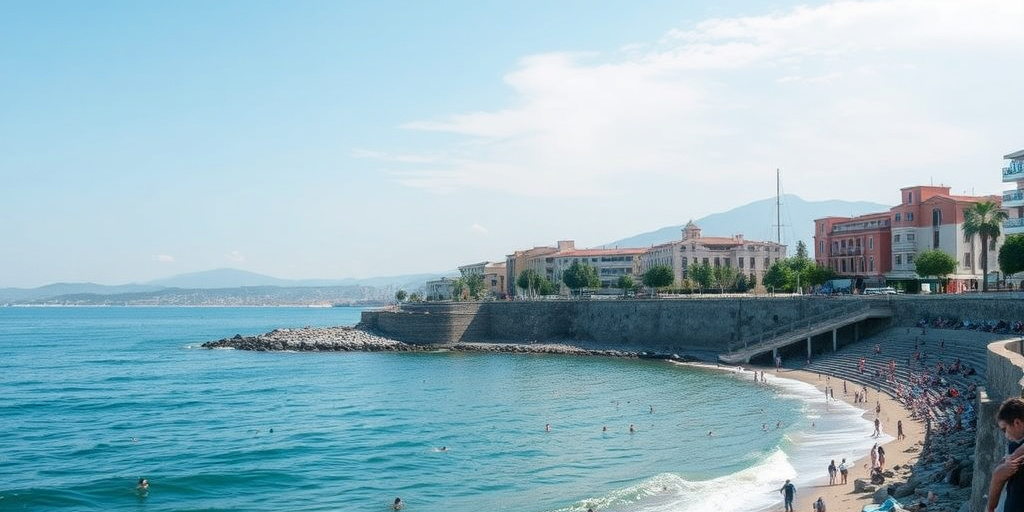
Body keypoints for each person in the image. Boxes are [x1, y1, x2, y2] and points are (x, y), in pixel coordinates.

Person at [986, 397, 1024, 512]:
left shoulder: (1015, 447)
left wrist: (990, 509)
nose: (1005, 435)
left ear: (1017, 422)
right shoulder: (1015, 445)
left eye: (1005, 429)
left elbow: (998, 477)